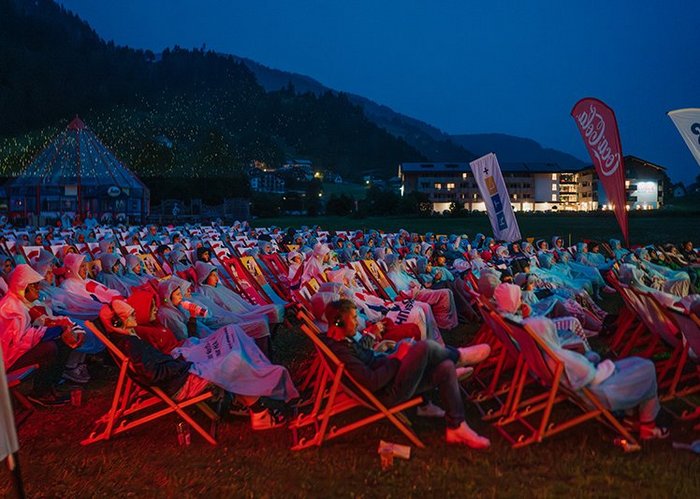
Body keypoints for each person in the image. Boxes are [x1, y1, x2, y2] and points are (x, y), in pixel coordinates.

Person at [98, 300, 297, 429]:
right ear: (117, 323)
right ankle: (260, 413)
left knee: (227, 354)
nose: (135, 317)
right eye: (130, 315)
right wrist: (182, 364)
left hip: (178, 373)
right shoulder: (131, 344)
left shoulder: (128, 339)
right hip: (179, 382)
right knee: (232, 361)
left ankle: (253, 404)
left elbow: (155, 366)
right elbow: (153, 373)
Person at [321, 299, 492, 449]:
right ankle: (459, 356)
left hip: (388, 374)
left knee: (445, 367)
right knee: (422, 348)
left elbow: (368, 358)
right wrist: (398, 359)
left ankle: (456, 427)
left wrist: (392, 355)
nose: (357, 322)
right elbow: (372, 381)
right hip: (387, 393)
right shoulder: (342, 351)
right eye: (353, 318)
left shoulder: (342, 340)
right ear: (338, 322)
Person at [0, 265, 83, 406]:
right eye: (35, 286)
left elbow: (45, 320)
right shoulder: (10, 308)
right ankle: (41, 393)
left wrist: (72, 327)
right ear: (23, 286)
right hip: (8, 360)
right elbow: (17, 342)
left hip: (17, 353)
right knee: (50, 348)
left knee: (65, 342)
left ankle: (50, 386)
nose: (38, 289)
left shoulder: (23, 303)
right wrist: (55, 331)